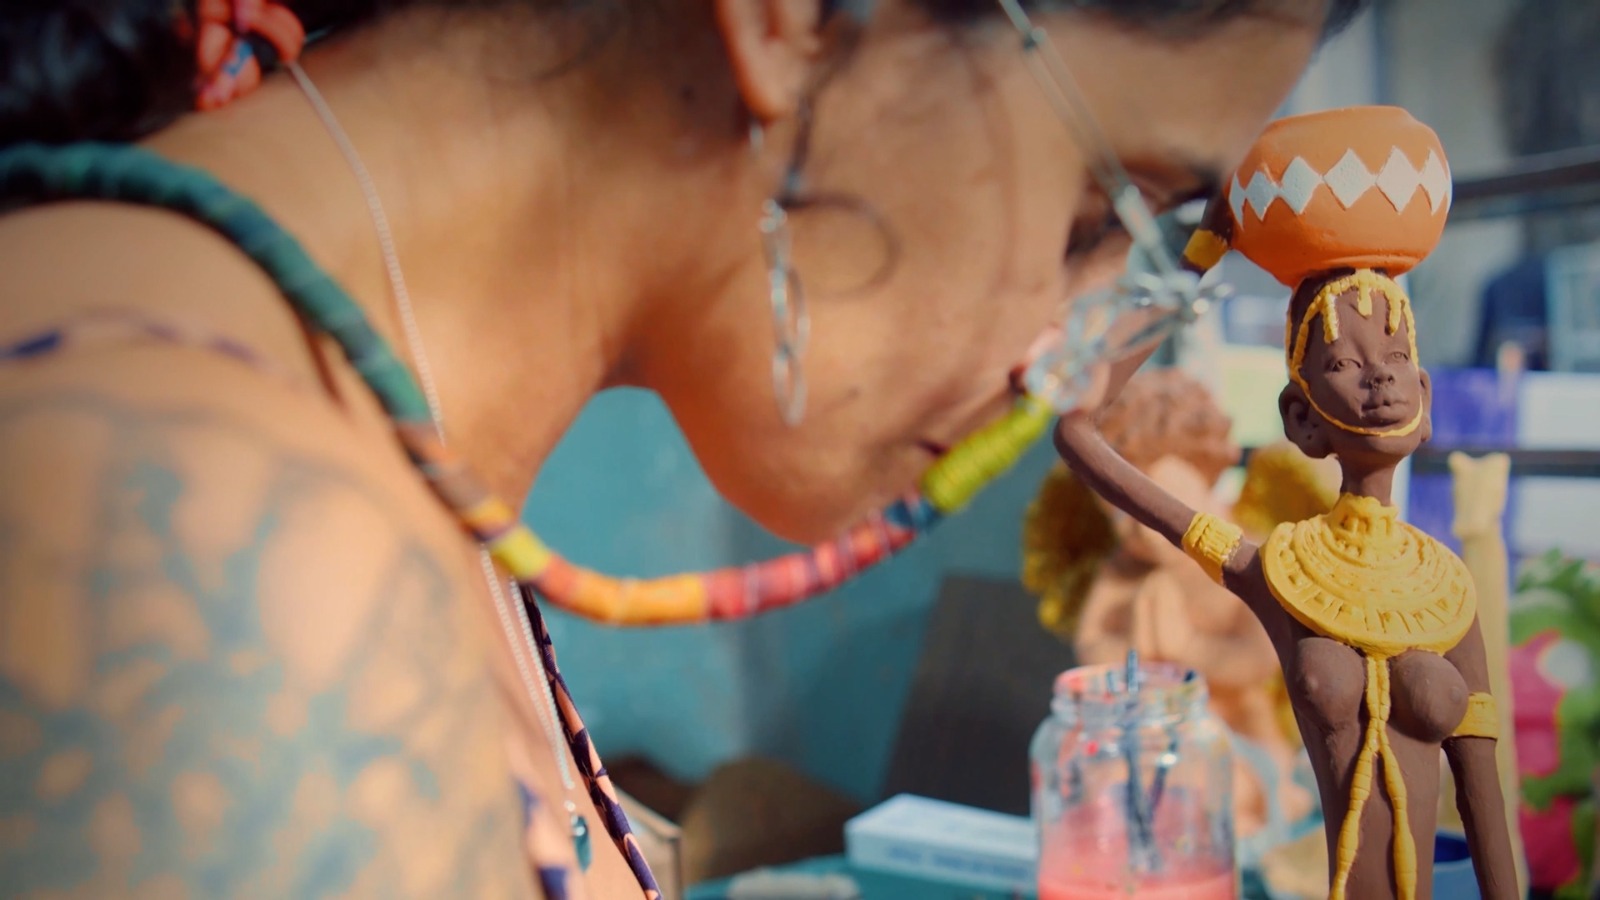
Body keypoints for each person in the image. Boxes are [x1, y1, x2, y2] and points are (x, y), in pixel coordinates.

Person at [0, 0, 1365, 896]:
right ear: (793, 18)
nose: (1068, 375)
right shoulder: (212, 523)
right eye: (1094, 213)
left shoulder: (375, 452)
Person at [1053, 107, 1518, 900]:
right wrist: (1199, 256)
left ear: (1425, 396)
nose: (1380, 375)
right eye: (1343, 362)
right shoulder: (1278, 570)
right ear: (1300, 419)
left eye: (1396, 353)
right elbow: (1079, 429)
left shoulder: (1446, 591)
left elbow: (1485, 802)